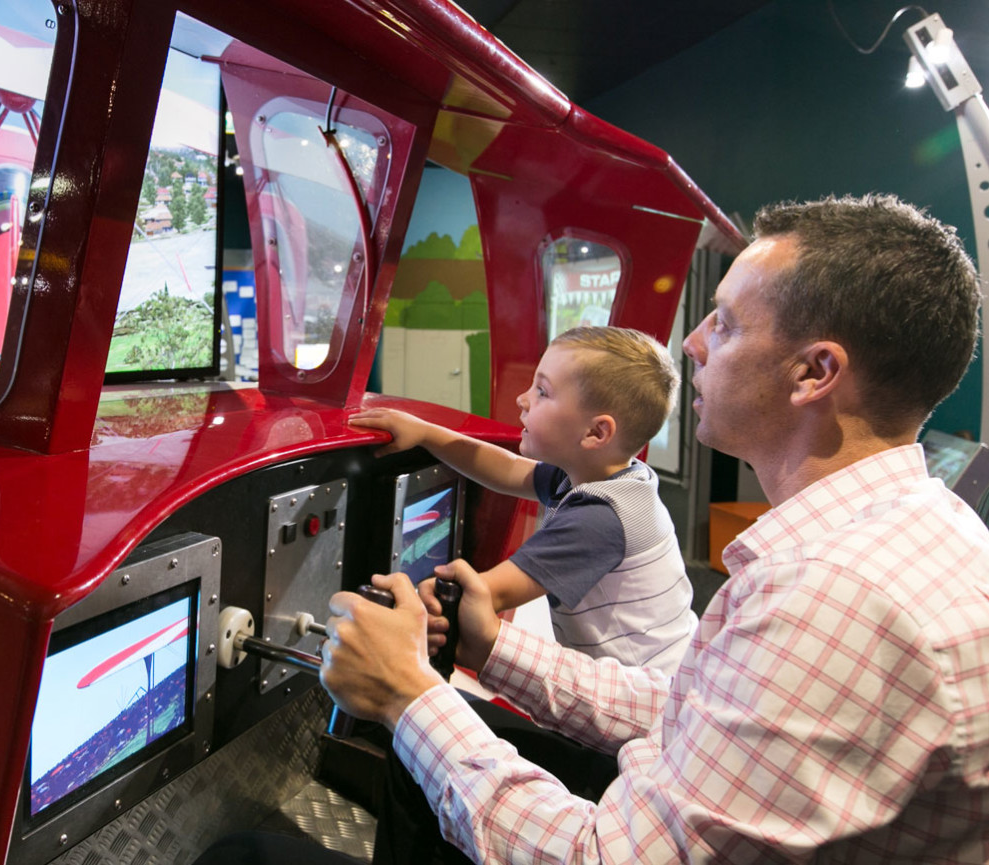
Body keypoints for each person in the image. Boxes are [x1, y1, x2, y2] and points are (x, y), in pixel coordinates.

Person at [316, 193, 989, 863]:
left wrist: (403, 693)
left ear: (814, 372)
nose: (692, 342)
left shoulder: (829, 596)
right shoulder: (910, 531)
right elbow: (688, 711)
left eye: (723, 325)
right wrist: (492, 647)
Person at [349, 326, 695, 673]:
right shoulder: (604, 475)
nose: (523, 399)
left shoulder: (600, 518)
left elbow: (487, 593)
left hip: (647, 696)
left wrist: (416, 599)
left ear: (595, 433)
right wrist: (425, 433)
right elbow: (508, 469)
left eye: (542, 392)